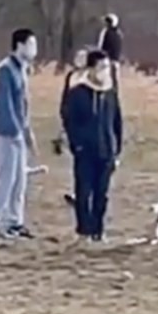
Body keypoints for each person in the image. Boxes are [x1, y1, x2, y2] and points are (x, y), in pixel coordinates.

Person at [0, 28, 39, 239]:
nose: (34, 49)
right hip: (5, 133)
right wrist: (15, 132)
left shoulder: (22, 69)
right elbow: (4, 104)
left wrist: (27, 130)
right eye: (31, 44)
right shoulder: (5, 70)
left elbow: (22, 104)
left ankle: (14, 221)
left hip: (17, 132)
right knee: (5, 178)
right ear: (20, 45)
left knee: (19, 181)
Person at [63, 49, 123, 244]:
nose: (104, 71)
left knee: (101, 194)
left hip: (106, 151)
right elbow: (69, 119)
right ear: (91, 69)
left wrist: (116, 149)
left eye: (106, 67)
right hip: (85, 151)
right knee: (83, 192)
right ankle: (83, 230)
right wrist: (76, 144)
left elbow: (116, 121)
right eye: (101, 67)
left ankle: (98, 230)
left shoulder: (110, 92)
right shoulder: (78, 93)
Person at [97, 13, 123, 88]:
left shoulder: (105, 32)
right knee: (114, 81)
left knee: (103, 82)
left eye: (107, 21)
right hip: (115, 61)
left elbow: (100, 46)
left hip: (105, 60)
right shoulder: (119, 33)